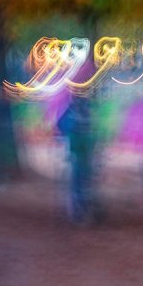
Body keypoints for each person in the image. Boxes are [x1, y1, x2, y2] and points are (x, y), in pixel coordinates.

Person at [57, 96, 98, 224]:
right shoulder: (85, 109)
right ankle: (81, 211)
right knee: (83, 182)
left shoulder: (73, 109)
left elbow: (60, 125)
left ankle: (79, 212)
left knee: (79, 182)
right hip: (82, 150)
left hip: (79, 150)